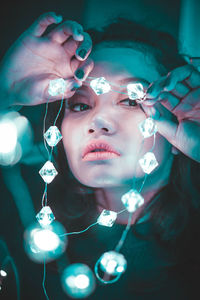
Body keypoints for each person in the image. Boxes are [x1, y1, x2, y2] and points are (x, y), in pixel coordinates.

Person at [0, 12, 200, 299]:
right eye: (80, 106)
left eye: (132, 100)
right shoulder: (19, 208)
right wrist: (3, 93)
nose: (98, 121)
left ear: (181, 120)